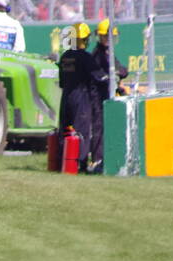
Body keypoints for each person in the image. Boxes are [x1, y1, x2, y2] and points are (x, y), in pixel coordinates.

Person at [57, 23, 105, 173]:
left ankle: (62, 161)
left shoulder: (65, 56)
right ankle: (80, 164)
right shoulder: (86, 57)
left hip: (66, 97)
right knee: (81, 131)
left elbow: (61, 81)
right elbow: (99, 77)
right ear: (84, 39)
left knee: (65, 130)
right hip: (81, 97)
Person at [88, 20, 129, 173]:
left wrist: (119, 73)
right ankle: (97, 160)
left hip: (107, 95)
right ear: (101, 37)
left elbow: (122, 70)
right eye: (107, 37)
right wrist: (110, 76)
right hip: (97, 96)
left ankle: (106, 157)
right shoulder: (98, 54)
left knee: (107, 127)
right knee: (98, 127)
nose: (109, 40)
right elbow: (98, 75)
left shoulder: (108, 53)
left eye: (111, 37)